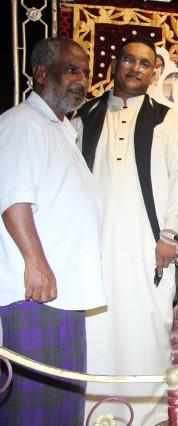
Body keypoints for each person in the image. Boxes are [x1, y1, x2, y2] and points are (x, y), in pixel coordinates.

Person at [73, 35, 178, 425]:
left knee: (147, 323)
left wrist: (169, 235)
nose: (135, 68)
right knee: (97, 325)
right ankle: (96, 411)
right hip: (95, 243)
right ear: (115, 64)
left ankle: (148, 413)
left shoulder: (165, 118)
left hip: (149, 243)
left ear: (154, 73)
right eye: (128, 59)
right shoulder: (85, 115)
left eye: (144, 63)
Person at [0, 37, 106, 425]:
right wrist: (36, 264)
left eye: (85, 72)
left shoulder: (61, 130)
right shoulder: (22, 123)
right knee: (34, 409)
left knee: (63, 406)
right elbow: (13, 200)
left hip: (62, 296)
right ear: (41, 73)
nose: (82, 80)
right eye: (71, 70)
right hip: (35, 295)